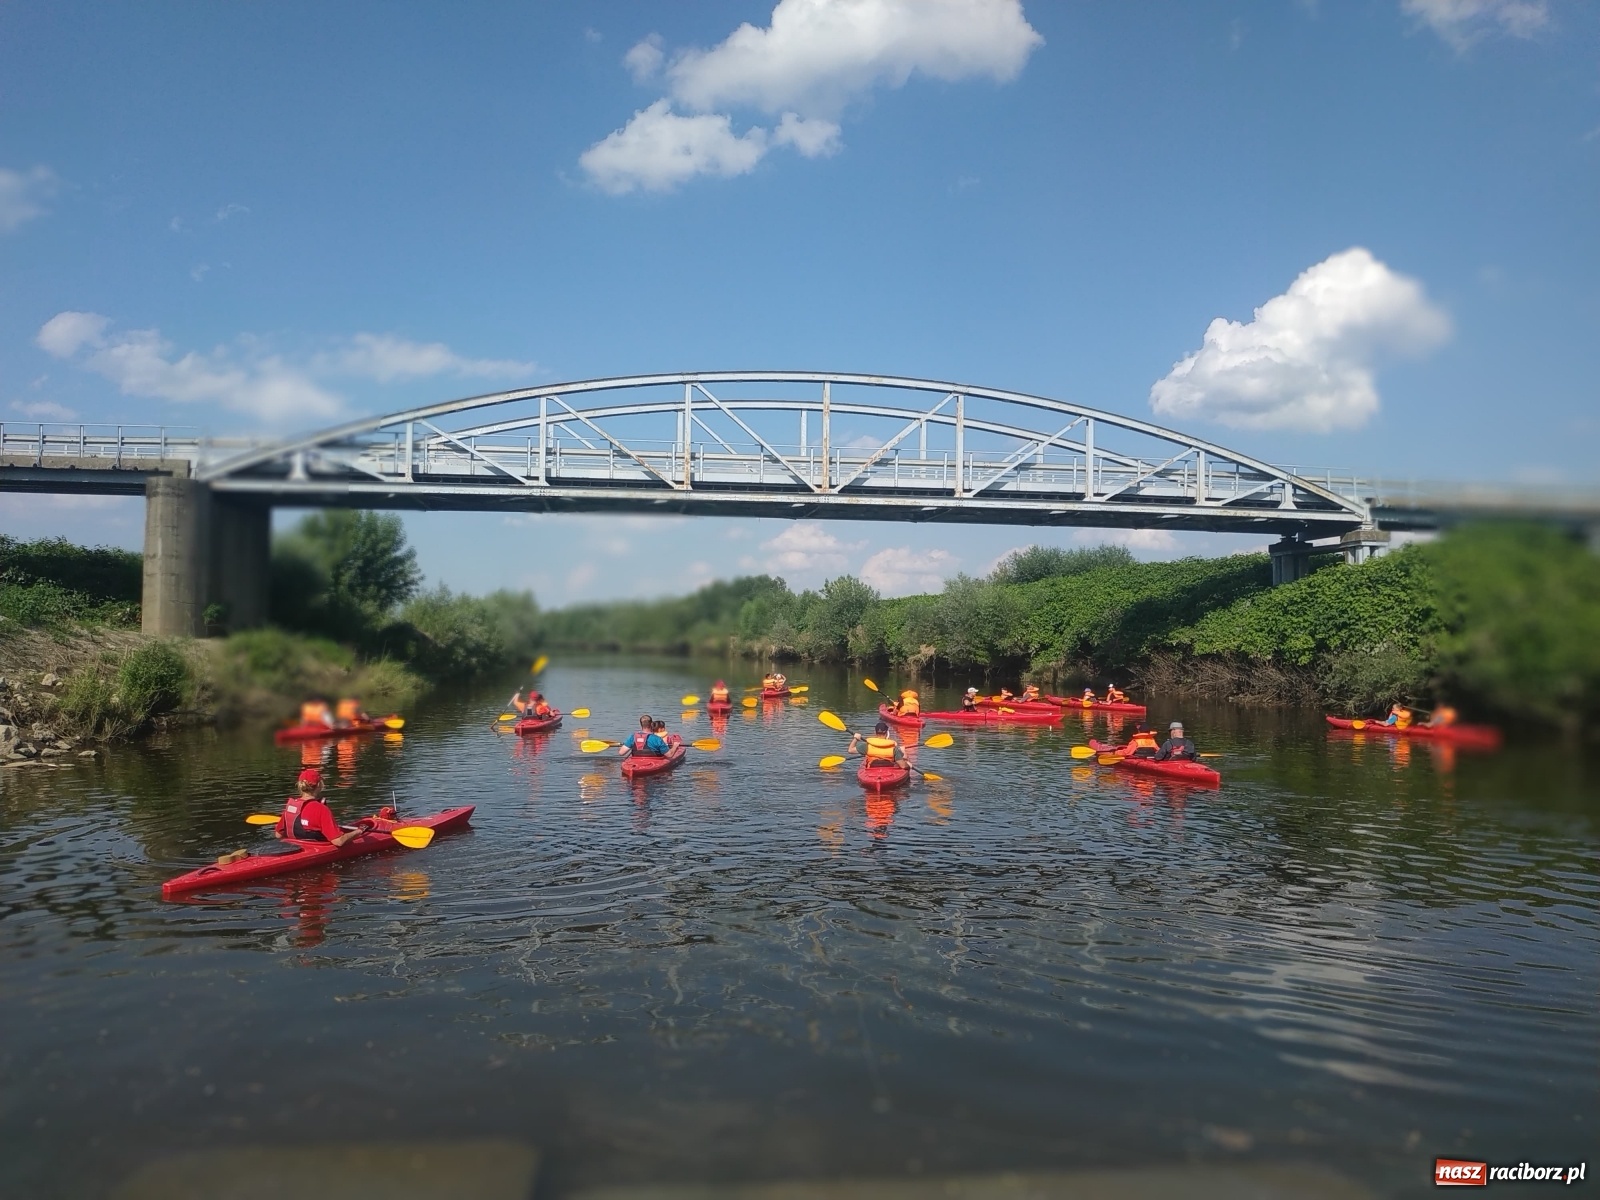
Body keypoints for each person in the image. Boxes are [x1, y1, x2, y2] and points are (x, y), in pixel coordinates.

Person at [277, 769, 364, 847]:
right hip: (315, 849)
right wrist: (359, 831)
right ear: (319, 785)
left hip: (294, 847)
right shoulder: (321, 809)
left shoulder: (291, 806)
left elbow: (278, 835)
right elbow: (338, 841)